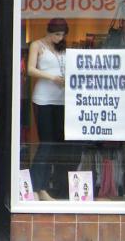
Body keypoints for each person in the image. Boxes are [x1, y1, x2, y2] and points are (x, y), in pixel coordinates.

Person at [27, 17, 73, 201]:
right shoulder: (37, 45)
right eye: (57, 34)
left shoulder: (63, 48)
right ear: (49, 31)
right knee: (46, 143)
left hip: (63, 100)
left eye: (62, 35)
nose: (60, 38)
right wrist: (52, 77)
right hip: (44, 99)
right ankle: (38, 186)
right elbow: (30, 70)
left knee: (59, 144)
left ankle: (54, 186)